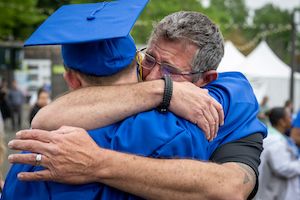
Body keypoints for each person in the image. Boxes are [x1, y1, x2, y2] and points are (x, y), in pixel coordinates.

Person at [7, 1, 267, 199]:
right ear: (135, 59)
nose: (154, 76)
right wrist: (166, 91)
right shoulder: (181, 127)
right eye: (149, 59)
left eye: (170, 71)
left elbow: (232, 188)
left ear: (206, 80)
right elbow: (43, 119)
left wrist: (96, 162)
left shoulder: (228, 105)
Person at [255, 107, 300, 200]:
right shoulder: (275, 141)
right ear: (282, 122)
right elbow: (282, 167)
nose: (292, 120)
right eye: (289, 117)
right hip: (272, 193)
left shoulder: (276, 137)